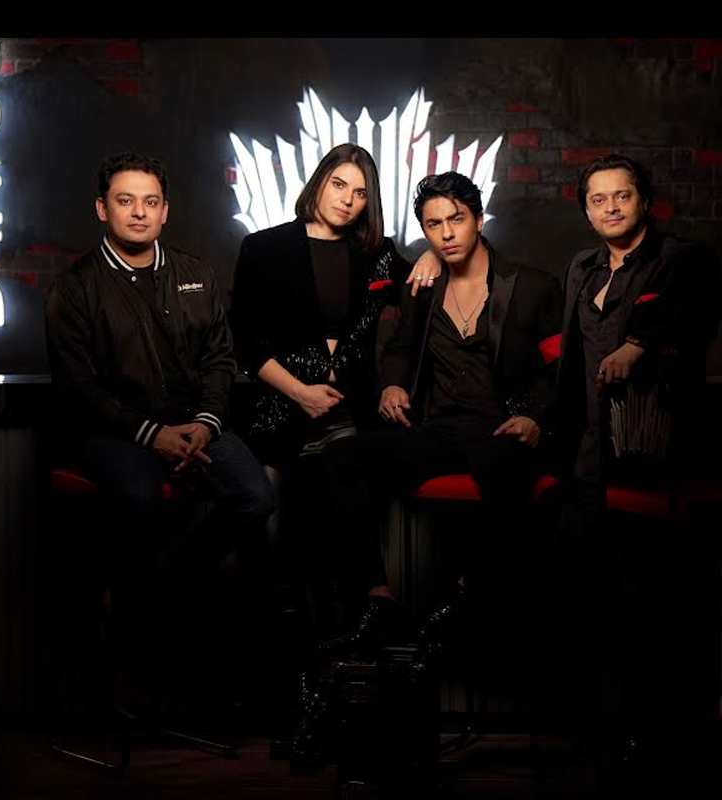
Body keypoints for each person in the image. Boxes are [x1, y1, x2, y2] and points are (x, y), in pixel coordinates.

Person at [320, 170, 563, 657]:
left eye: (457, 219)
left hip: (501, 426)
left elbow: (559, 369)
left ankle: (469, 597)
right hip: (439, 427)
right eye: (434, 225)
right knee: (339, 458)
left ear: (479, 220)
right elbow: (399, 349)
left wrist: (537, 417)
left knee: (507, 466)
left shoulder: (533, 286)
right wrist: (391, 384)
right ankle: (379, 599)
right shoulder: (423, 288)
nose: (447, 233)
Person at [45, 153, 274, 649]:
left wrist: (206, 424)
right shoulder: (75, 287)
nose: (139, 212)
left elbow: (220, 360)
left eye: (150, 202)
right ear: (102, 208)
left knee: (256, 496)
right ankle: (136, 628)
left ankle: (155, 582)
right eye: (126, 201)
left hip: (196, 423)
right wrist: (151, 435)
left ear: (165, 211)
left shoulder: (197, 274)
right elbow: (77, 388)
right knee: (140, 498)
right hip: (118, 431)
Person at [555, 153, 720, 768]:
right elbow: (567, 355)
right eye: (598, 199)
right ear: (586, 210)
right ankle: (601, 731)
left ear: (644, 200)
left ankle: (658, 736)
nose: (611, 208)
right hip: (586, 451)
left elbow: (690, 314)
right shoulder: (582, 266)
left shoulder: (679, 258)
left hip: (650, 451)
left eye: (621, 196)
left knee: (649, 594)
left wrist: (638, 344)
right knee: (584, 588)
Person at [229, 144, 438, 610]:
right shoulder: (263, 247)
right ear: (319, 182)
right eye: (339, 184)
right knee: (272, 540)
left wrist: (432, 256)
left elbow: (427, 289)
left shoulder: (377, 253)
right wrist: (300, 393)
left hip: (346, 412)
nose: (347, 199)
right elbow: (245, 342)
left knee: (341, 540)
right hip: (276, 412)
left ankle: (351, 628)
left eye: (360, 193)